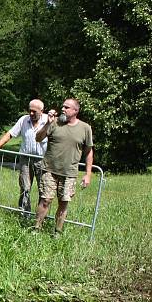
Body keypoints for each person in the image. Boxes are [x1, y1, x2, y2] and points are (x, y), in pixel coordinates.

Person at [33, 98, 93, 235]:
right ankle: (36, 228)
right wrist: (47, 124)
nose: (63, 109)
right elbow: (38, 138)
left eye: (67, 107)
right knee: (45, 200)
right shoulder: (54, 123)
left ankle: (57, 232)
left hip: (69, 173)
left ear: (75, 111)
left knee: (63, 202)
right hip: (49, 169)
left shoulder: (85, 128)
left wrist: (88, 174)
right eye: (63, 107)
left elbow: (89, 152)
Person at [0, 99, 49, 215]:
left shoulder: (49, 121)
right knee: (25, 187)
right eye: (30, 111)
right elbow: (10, 134)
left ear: (42, 111)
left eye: (34, 111)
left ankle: (39, 217)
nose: (31, 113)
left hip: (43, 161)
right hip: (25, 159)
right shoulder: (23, 120)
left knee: (43, 190)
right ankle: (24, 214)